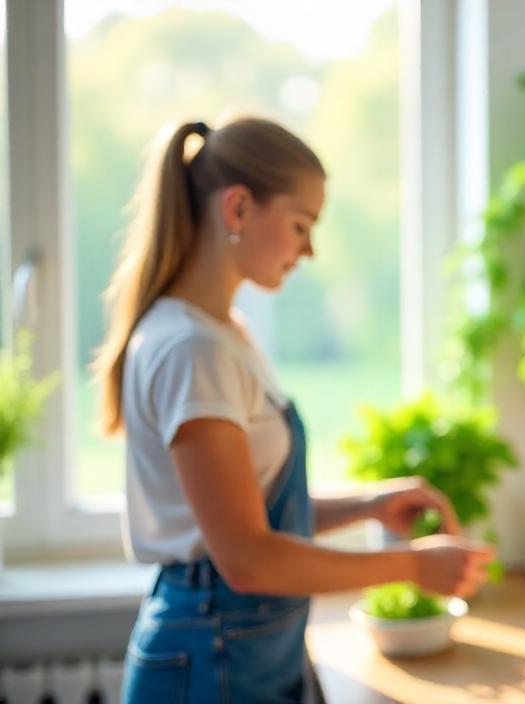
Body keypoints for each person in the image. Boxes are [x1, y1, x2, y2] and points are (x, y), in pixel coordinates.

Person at [92, 117, 493, 703]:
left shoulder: (223, 333)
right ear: (237, 210)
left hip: (236, 646)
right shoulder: (191, 348)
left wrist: (369, 504)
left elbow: (245, 515)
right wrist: (412, 567)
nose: (309, 249)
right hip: (211, 657)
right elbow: (249, 560)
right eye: (301, 224)